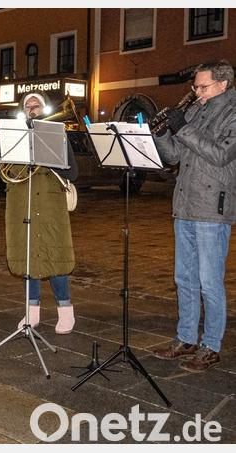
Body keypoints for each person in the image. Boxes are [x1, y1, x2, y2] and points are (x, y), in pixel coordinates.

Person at [151, 60, 236, 372]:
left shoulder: (233, 112)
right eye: (195, 87)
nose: (196, 92)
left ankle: (211, 345)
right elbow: (174, 155)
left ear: (223, 84)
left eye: (202, 86)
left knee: (209, 281)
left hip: (212, 206)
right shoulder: (196, 109)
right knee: (183, 277)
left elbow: (219, 153)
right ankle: (186, 337)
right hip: (184, 203)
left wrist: (182, 127)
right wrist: (161, 133)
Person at [0, 92, 78, 334]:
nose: (32, 110)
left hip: (49, 206)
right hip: (20, 205)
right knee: (27, 258)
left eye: (36, 106)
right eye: (28, 106)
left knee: (55, 257)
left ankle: (65, 310)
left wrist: (50, 153)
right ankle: (31, 312)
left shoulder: (56, 134)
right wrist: (3, 141)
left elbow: (73, 173)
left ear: (43, 110)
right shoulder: (13, 136)